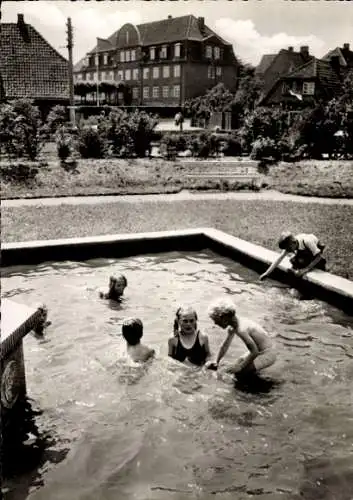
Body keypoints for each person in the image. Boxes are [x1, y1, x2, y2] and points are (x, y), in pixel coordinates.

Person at [206, 298, 276, 377]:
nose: (215, 323)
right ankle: (252, 374)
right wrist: (216, 361)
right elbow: (225, 346)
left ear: (224, 318)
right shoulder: (233, 326)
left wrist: (240, 367)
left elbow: (254, 351)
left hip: (268, 354)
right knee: (236, 363)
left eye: (216, 320)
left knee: (239, 373)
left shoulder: (241, 329)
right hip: (258, 350)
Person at [260, 231, 326, 280]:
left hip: (316, 252)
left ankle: (319, 265)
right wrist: (267, 273)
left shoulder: (307, 241)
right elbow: (279, 259)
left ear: (293, 243)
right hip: (305, 252)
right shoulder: (292, 244)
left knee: (301, 262)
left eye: (288, 248)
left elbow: (319, 256)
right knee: (292, 260)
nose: (288, 250)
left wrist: (306, 269)